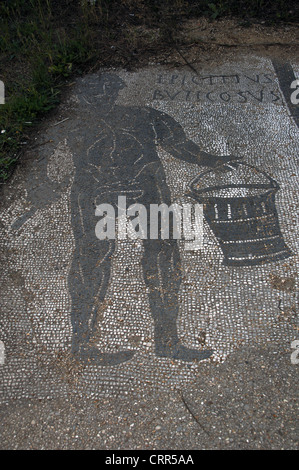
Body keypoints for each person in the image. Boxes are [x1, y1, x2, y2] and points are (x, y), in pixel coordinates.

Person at [15, 73, 239, 366]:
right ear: (82, 96)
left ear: (115, 93)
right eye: (92, 93)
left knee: (162, 256)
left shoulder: (146, 116)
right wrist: (39, 186)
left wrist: (213, 161)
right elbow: (39, 154)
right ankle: (83, 345)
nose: (98, 98)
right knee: (92, 258)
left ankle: (168, 341)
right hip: (94, 193)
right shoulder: (72, 124)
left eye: (105, 91)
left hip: (145, 189)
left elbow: (180, 145)